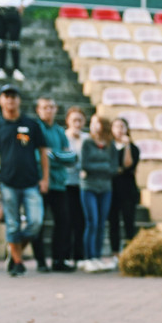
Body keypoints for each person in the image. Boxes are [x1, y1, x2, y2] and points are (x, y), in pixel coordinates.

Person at [0, 84, 48, 277]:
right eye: (7, 96)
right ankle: (18, 262)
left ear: (19, 100)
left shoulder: (31, 124)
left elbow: (43, 152)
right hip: (8, 182)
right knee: (12, 224)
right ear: (1, 100)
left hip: (31, 182)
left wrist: (45, 177)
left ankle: (14, 250)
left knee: (36, 222)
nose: (10, 100)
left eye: (14, 96)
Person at [34, 96, 77, 272]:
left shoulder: (60, 131)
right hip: (41, 182)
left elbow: (72, 158)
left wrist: (52, 155)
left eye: (51, 107)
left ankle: (59, 260)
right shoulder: (35, 129)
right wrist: (54, 155)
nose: (48, 110)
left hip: (59, 183)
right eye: (44, 107)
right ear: (38, 110)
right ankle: (41, 261)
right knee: (39, 223)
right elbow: (37, 157)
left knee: (63, 222)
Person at [79, 114, 122, 272]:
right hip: (89, 187)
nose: (94, 126)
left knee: (102, 223)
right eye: (92, 123)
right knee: (92, 222)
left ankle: (97, 257)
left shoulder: (110, 145)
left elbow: (114, 168)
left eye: (97, 123)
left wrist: (99, 167)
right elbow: (84, 164)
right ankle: (89, 257)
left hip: (105, 188)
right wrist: (103, 166)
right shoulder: (87, 143)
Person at [108, 116, 140, 258]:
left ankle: (130, 253)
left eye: (122, 127)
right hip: (111, 189)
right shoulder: (108, 147)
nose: (119, 130)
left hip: (128, 190)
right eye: (116, 126)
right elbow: (111, 167)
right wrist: (117, 170)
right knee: (113, 223)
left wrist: (126, 146)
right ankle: (115, 253)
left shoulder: (133, 148)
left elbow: (128, 165)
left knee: (129, 222)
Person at [64, 107, 88, 266]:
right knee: (67, 221)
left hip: (83, 185)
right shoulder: (63, 137)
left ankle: (79, 255)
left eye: (80, 120)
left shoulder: (87, 138)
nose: (77, 123)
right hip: (66, 183)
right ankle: (65, 255)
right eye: (74, 120)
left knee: (81, 221)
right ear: (68, 121)